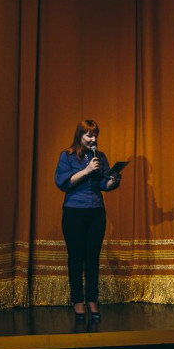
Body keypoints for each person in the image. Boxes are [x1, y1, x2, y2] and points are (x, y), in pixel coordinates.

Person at [55, 119, 121, 322]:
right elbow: (63, 183)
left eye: (95, 136)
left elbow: (103, 184)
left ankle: (92, 299)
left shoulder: (100, 157)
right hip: (74, 212)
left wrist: (112, 181)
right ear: (80, 136)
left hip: (96, 212)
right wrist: (86, 170)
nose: (93, 139)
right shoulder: (67, 156)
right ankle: (77, 301)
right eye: (89, 135)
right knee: (76, 257)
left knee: (92, 258)